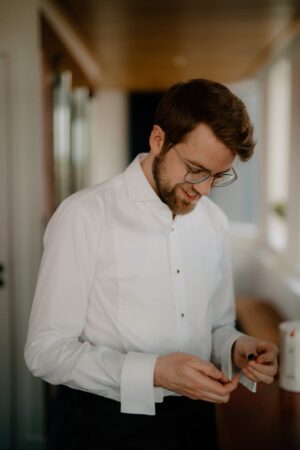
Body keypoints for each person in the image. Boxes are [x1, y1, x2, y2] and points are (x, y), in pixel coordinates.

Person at [25, 79, 278, 450]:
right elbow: (45, 351)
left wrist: (235, 346)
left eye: (218, 176)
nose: (205, 190)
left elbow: (217, 325)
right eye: (195, 169)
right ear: (159, 139)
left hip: (196, 421)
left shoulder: (214, 223)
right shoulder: (84, 215)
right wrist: (155, 372)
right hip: (104, 426)